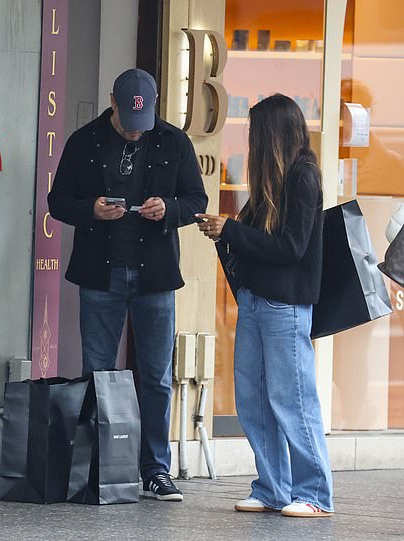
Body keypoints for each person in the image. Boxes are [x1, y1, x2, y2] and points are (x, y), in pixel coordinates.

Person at [48, 68, 208, 502]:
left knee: (155, 376)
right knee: (98, 374)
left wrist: (169, 209)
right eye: (127, 123)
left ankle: (155, 469)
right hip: (101, 274)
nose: (136, 134)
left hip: (155, 275)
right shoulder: (85, 141)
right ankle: (99, 467)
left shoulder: (174, 141)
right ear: (112, 102)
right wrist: (92, 210)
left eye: (144, 124)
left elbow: (197, 200)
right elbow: (57, 200)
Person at [197, 94, 334, 517]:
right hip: (258, 304)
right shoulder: (270, 183)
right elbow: (256, 242)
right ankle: (272, 488)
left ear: (273, 133)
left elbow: (292, 247)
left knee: (292, 400)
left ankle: (314, 494)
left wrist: (232, 231)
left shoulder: (303, 177)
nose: (251, 138)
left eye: (256, 130)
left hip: (285, 307)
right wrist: (226, 233)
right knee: (254, 401)